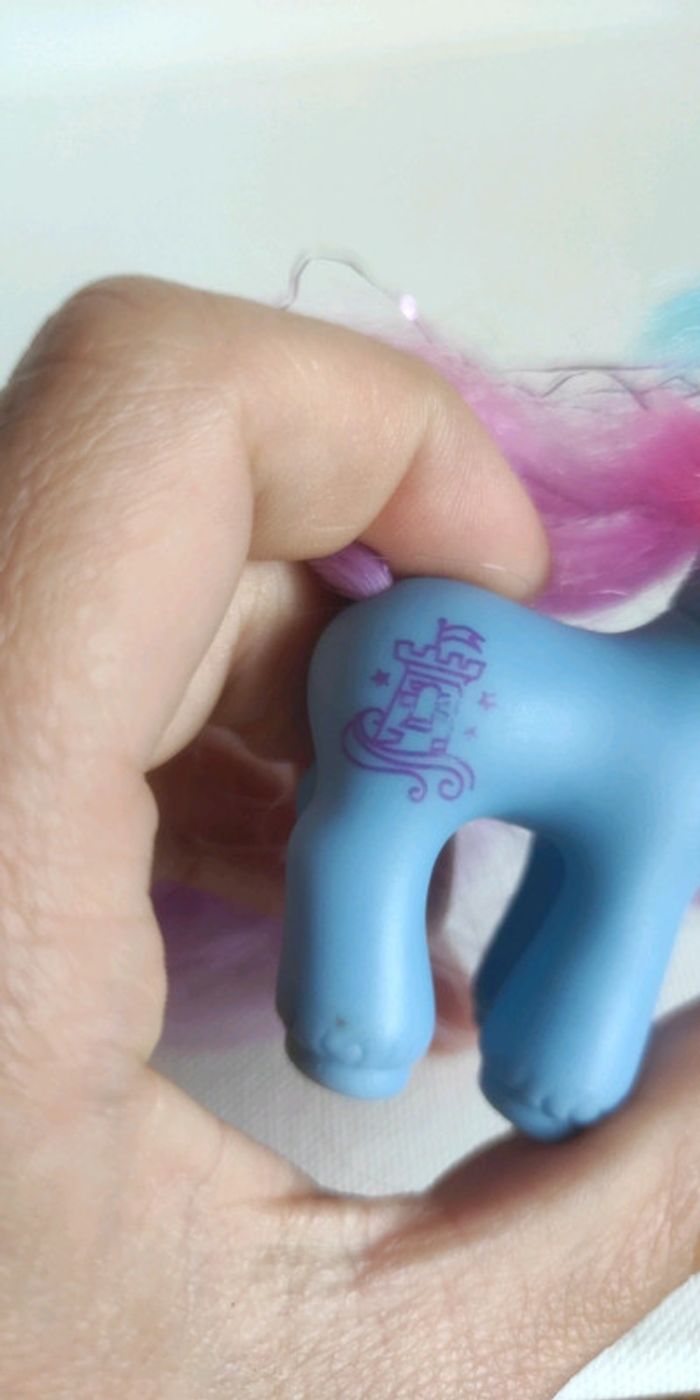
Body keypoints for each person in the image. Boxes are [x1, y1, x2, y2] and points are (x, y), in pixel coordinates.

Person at [0, 276, 697, 1400]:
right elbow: (627, 907)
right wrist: (569, 1073)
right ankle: (425, 1030)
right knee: (460, 856)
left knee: (379, 835)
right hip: (465, 684)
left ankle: (448, 1025)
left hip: (437, 657)